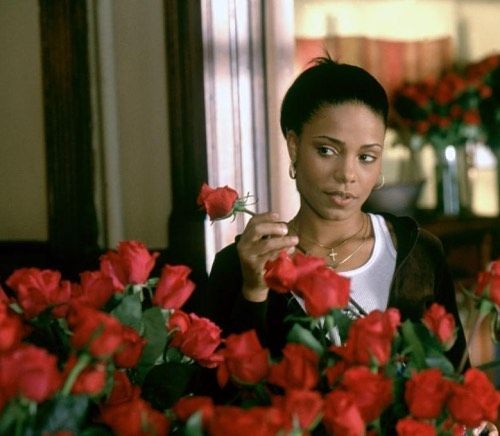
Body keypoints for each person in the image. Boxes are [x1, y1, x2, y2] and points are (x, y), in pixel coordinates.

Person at [204, 56, 467, 369]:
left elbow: (457, 381)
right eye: (327, 150)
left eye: (366, 157)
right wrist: (254, 292)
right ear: (293, 146)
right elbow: (221, 401)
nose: (347, 174)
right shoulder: (240, 265)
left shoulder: (419, 253)